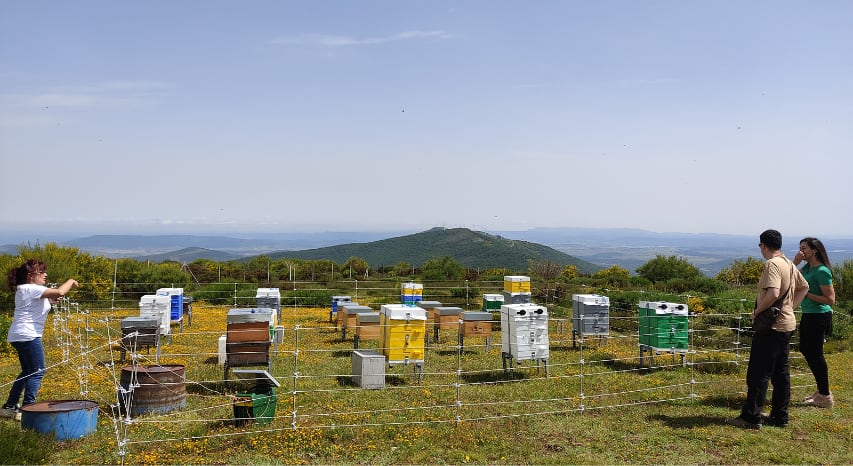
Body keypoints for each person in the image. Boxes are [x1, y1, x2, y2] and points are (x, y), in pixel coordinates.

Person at [730, 229, 808, 429]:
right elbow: (804, 287)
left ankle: (751, 417)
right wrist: (791, 307)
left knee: (758, 373)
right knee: (781, 373)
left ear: (763, 245)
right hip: (787, 324)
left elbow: (773, 293)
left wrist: (757, 311)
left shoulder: (772, 264)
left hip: (772, 326)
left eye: (760, 246)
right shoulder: (789, 264)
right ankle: (780, 416)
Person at [0, 259, 78, 420]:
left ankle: (9, 407)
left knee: (28, 371)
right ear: (31, 275)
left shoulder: (27, 289)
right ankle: (28, 409)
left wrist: (50, 300)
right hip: (28, 335)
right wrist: (70, 281)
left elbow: (41, 303)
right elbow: (60, 292)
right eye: (41, 272)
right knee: (37, 371)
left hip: (20, 335)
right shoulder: (31, 288)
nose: (45, 274)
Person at [793, 237, 835, 408]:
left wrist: (806, 294)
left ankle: (825, 395)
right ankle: (821, 391)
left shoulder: (822, 271)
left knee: (815, 354)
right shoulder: (808, 268)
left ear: (814, 250)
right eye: (800, 248)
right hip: (809, 314)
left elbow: (830, 299)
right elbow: (791, 276)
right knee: (806, 349)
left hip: (819, 316)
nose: (801, 251)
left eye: (804, 248)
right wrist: (795, 262)